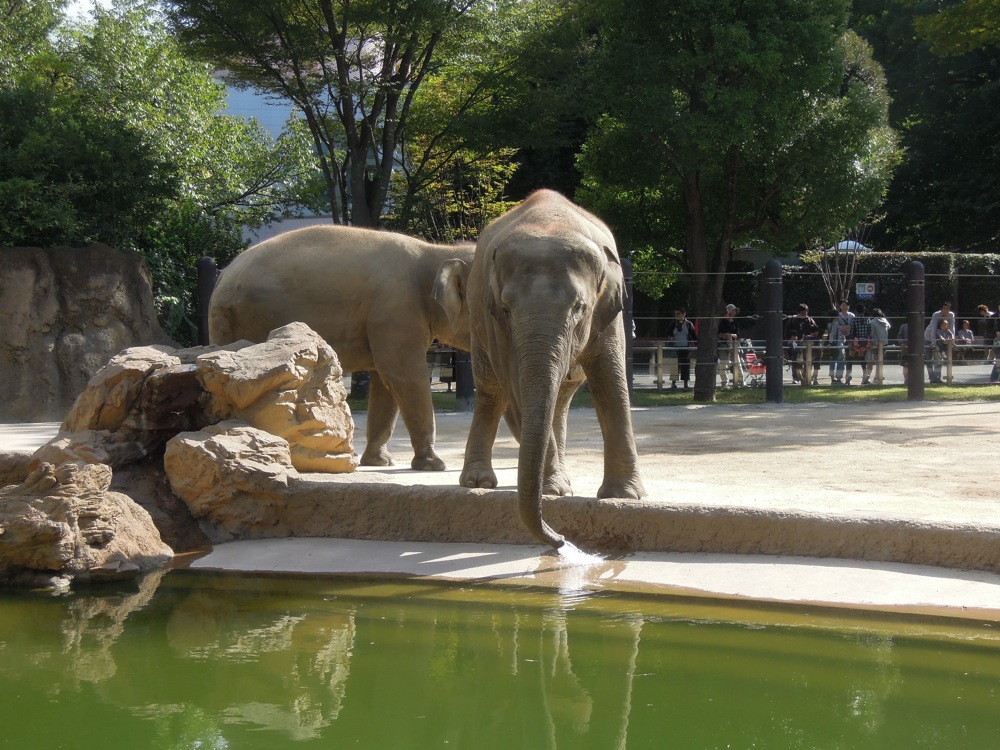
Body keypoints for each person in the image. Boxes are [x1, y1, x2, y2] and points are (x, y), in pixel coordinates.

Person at [924, 301, 956, 384]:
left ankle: (937, 378)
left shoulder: (951, 315)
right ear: (941, 309)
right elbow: (934, 329)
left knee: (939, 358)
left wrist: (952, 341)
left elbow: (952, 329)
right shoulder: (936, 315)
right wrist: (933, 343)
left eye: (948, 309)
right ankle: (932, 378)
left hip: (941, 339)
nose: (945, 311)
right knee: (929, 359)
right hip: (929, 337)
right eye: (944, 309)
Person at [668, 306, 697, 391]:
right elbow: (668, 333)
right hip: (674, 348)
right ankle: (673, 382)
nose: (677, 316)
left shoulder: (689, 324)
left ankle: (685, 383)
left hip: (686, 348)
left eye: (678, 314)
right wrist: (670, 338)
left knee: (685, 365)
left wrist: (697, 346)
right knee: (674, 365)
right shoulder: (673, 324)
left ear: (684, 314)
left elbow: (694, 336)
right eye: (675, 314)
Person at [827, 301, 854, 385]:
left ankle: (832, 378)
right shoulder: (835, 323)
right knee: (840, 361)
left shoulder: (830, 324)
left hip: (834, 344)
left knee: (833, 361)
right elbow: (832, 334)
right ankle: (838, 378)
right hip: (838, 344)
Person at [847, 303, 871, 385]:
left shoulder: (854, 319)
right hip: (864, 342)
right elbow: (869, 331)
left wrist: (851, 342)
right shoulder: (867, 319)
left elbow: (852, 331)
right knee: (862, 358)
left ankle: (849, 376)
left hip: (855, 341)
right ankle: (865, 374)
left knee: (850, 358)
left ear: (856, 311)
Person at [718, 303, 740, 387]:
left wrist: (729, 335)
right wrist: (725, 335)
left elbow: (737, 334)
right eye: (733, 310)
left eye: (735, 311)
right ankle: (724, 382)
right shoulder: (722, 321)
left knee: (737, 363)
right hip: (723, 344)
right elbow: (719, 334)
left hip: (733, 345)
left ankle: (740, 380)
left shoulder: (735, 322)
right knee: (723, 364)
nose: (734, 312)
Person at [868, 307, 891, 384]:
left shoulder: (872, 322)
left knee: (876, 361)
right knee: (880, 361)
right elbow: (889, 327)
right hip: (884, 343)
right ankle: (878, 376)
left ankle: (876, 377)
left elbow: (871, 332)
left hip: (875, 343)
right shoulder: (885, 321)